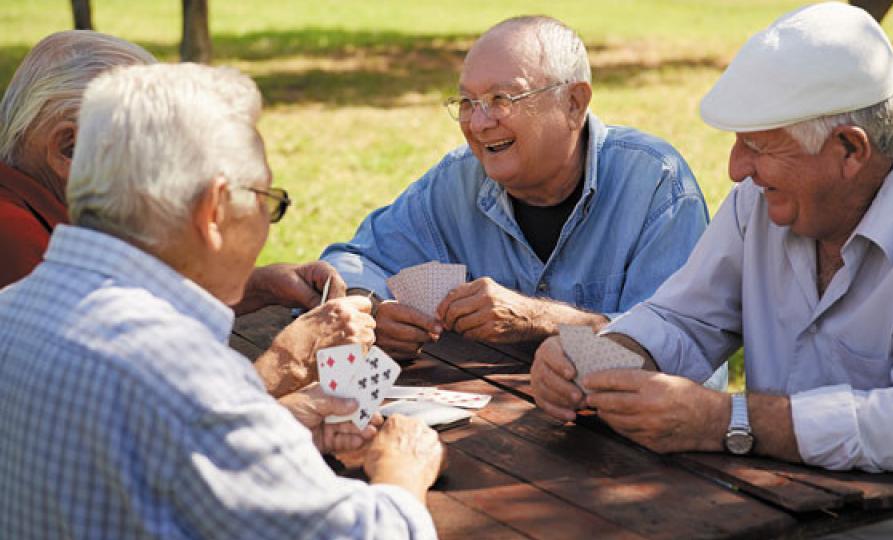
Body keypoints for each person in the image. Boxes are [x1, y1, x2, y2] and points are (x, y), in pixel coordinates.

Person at [531, 3, 893, 538]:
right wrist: (598, 356)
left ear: (849, 149)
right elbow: (684, 318)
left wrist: (728, 420)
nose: (736, 169)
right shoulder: (757, 204)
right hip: (771, 519)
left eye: (757, 146)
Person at [0, 63, 443, 538]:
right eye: (266, 200)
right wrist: (402, 468)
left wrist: (277, 424)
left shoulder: (13, 308)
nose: (266, 224)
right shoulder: (185, 372)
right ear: (213, 211)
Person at [321, 16, 725, 390]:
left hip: (622, 450)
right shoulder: (458, 180)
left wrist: (540, 320)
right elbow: (351, 261)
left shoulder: (655, 182)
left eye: (502, 98)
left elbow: (681, 358)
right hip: (491, 433)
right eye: (467, 103)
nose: (479, 123)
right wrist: (374, 310)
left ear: (574, 104)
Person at [0, 30, 346, 313]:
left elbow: (141, 302)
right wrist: (287, 363)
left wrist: (255, 286)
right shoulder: (16, 237)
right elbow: (132, 358)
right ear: (68, 150)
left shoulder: (48, 213)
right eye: (150, 141)